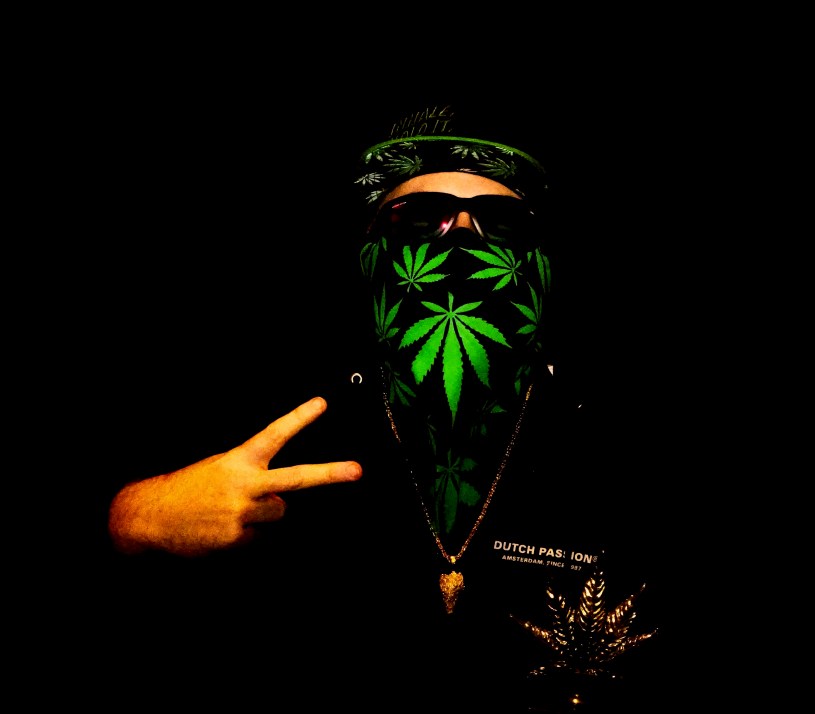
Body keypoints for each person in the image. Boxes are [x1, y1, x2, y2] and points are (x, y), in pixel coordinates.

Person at [92, 92, 667, 713]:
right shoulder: (284, 421)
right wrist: (133, 518)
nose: (462, 237)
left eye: (502, 221)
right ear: (369, 253)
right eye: (420, 217)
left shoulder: (621, 447)